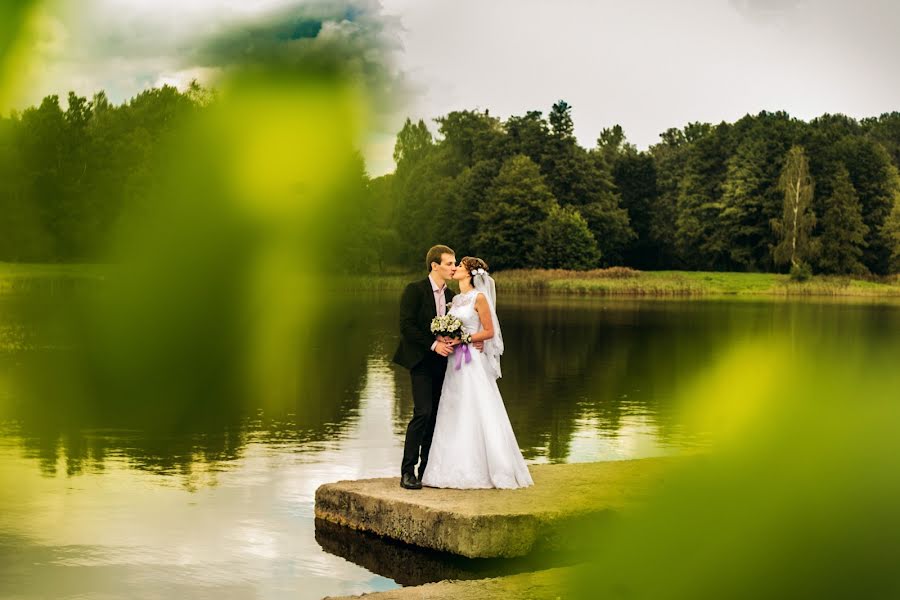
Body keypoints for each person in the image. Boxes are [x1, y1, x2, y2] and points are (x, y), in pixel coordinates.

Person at [420, 257, 533, 490]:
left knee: (476, 407)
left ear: (471, 273)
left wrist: (467, 339)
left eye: (460, 267)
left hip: (472, 361)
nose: (455, 269)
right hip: (454, 362)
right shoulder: (456, 299)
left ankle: (485, 468)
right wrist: (446, 336)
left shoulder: (479, 297)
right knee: (453, 409)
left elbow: (489, 331)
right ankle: (445, 469)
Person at [393, 245, 457, 490]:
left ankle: (426, 469)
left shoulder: (452, 297)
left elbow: (457, 326)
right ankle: (407, 472)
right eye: (450, 263)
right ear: (435, 265)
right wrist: (433, 345)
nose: (453, 267)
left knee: (436, 417)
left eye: (454, 264)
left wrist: (456, 340)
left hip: (444, 363)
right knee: (423, 412)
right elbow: (406, 326)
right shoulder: (415, 290)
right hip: (420, 360)